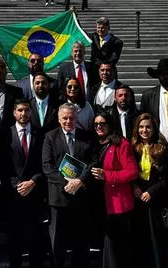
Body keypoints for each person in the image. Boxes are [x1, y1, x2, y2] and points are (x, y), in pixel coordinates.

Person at [42, 103, 99, 268]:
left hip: (81, 198)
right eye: (65, 118)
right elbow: (47, 166)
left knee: (81, 243)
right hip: (58, 198)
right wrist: (68, 183)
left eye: (72, 118)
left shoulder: (87, 136)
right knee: (57, 244)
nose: (69, 121)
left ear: (77, 118)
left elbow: (94, 161)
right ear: (59, 119)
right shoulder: (50, 137)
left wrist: (80, 181)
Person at [0, 98, 46, 268]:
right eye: (20, 110)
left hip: (35, 194)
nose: (24, 114)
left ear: (31, 112)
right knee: (14, 239)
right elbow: (3, 165)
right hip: (14, 195)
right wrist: (18, 185)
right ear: (14, 112)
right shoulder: (5, 134)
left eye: (27, 110)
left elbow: (45, 163)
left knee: (35, 238)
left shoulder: (40, 134)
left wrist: (33, 182)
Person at [130, 113, 168, 268]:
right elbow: (130, 171)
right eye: (141, 127)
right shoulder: (133, 147)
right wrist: (135, 186)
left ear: (154, 128)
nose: (144, 130)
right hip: (139, 198)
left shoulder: (164, 149)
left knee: (157, 239)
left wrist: (151, 192)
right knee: (140, 237)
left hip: (157, 198)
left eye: (148, 127)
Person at [90, 112, 138, 268]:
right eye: (96, 124)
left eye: (103, 123)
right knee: (105, 241)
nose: (99, 127)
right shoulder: (96, 143)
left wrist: (107, 175)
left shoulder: (121, 144)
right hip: (100, 200)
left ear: (110, 125)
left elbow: (132, 172)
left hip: (117, 202)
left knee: (115, 243)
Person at [30, 72, 60, 136]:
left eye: (43, 83)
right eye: (37, 83)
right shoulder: (28, 105)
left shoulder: (59, 104)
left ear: (49, 84)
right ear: (33, 85)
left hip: (53, 143)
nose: (40, 85)